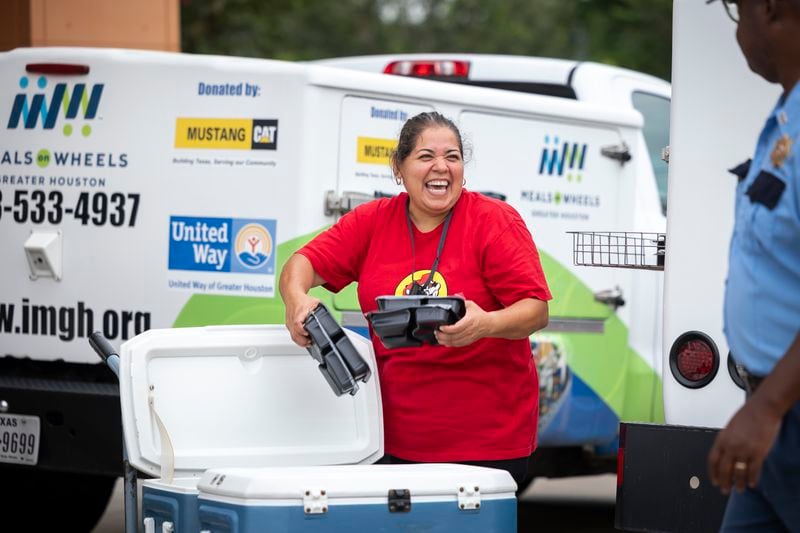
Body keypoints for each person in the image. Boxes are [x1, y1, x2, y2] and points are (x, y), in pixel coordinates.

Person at [279, 111, 551, 485]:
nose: (441, 167)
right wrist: (296, 299)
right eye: (426, 157)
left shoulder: (494, 221)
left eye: (452, 157)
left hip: (486, 444)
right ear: (399, 169)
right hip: (390, 441)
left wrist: (485, 324)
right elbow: (303, 262)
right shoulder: (371, 221)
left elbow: (535, 310)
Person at [707, 0, 800, 530]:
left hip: (783, 408)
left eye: (738, 13)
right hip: (772, 408)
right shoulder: (786, 115)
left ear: (772, 10)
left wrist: (766, 410)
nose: (738, 30)